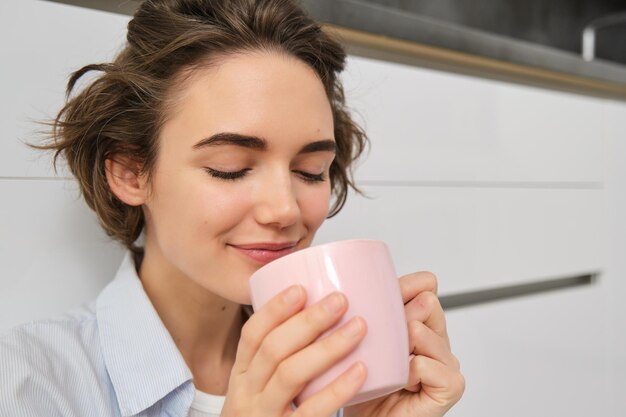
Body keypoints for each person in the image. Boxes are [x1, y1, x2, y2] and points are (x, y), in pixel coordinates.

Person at [0, 0, 464, 416]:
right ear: (130, 172)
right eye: (230, 168)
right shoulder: (29, 384)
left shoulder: (343, 377)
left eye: (310, 171)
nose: (285, 209)